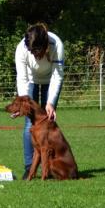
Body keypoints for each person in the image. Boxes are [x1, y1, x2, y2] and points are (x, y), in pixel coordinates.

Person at [14, 23, 64, 179]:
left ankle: (49, 168)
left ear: (45, 45)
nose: (34, 55)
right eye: (31, 51)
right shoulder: (21, 48)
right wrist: (23, 104)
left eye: (37, 51)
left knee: (48, 122)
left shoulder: (56, 44)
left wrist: (50, 103)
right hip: (30, 81)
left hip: (51, 80)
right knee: (30, 124)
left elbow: (57, 76)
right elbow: (22, 78)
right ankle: (29, 168)